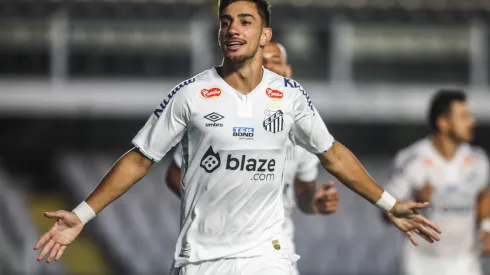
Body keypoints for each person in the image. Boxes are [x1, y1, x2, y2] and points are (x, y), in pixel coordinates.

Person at [34, 1, 441, 274]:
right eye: (226, 21)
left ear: (265, 36)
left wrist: (389, 203)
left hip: (269, 256)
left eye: (246, 21)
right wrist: (82, 215)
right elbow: (140, 159)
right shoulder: (190, 94)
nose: (233, 28)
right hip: (202, 260)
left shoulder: (290, 97)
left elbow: (332, 154)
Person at [166, 41, 340, 275]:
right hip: (213, 248)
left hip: (273, 249)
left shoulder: (303, 125)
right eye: (260, 61)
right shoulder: (217, 116)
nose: (268, 67)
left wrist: (314, 202)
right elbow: (175, 174)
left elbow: (302, 192)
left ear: (287, 71)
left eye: (275, 61)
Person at [384, 89, 490, 275]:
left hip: (465, 263)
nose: (471, 122)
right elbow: (386, 214)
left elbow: (483, 196)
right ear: (443, 123)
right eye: (464, 116)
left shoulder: (478, 160)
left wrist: (486, 228)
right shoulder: (412, 160)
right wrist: (416, 200)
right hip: (420, 264)